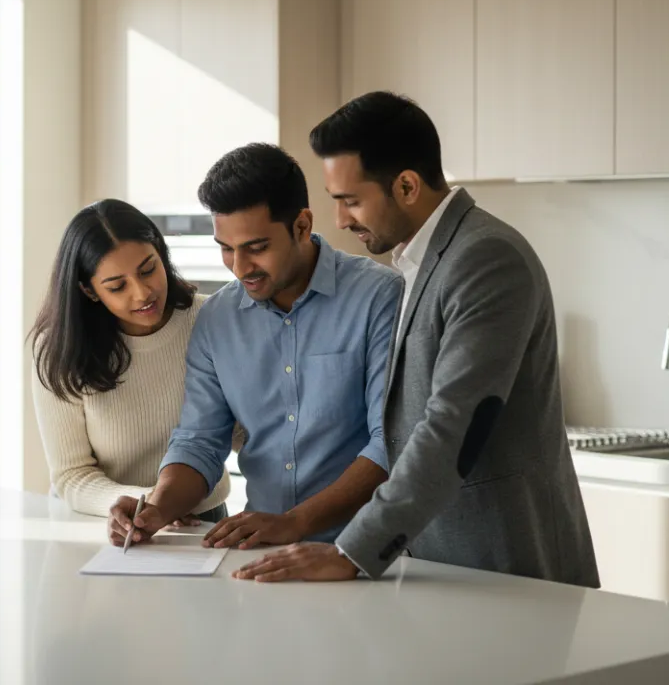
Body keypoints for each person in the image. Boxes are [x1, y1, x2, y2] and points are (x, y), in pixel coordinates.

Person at [234, 92, 600, 586]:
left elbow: (455, 425)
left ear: (406, 185)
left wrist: (350, 552)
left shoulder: (485, 258)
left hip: (506, 564)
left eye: (351, 200)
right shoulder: (419, 263)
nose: (340, 219)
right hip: (439, 566)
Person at [108, 143, 402, 550]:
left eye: (256, 247)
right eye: (226, 248)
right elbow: (200, 441)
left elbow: (390, 441)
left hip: (363, 551)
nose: (239, 267)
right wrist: (157, 508)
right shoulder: (217, 319)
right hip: (263, 550)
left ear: (301, 225)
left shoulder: (379, 298)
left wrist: (294, 523)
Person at [30, 199, 231, 520]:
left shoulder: (210, 320)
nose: (142, 293)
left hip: (199, 518)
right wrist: (152, 504)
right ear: (89, 290)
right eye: (117, 286)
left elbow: (241, 433)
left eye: (148, 269)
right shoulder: (58, 348)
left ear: (162, 255)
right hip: (98, 520)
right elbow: (71, 475)